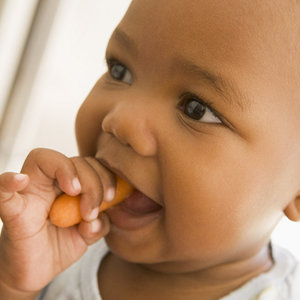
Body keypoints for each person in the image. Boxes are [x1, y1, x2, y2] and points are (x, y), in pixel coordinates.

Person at [0, 0, 300, 299]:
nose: (121, 120)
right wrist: (15, 284)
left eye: (196, 109)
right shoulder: (57, 248)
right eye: (120, 71)